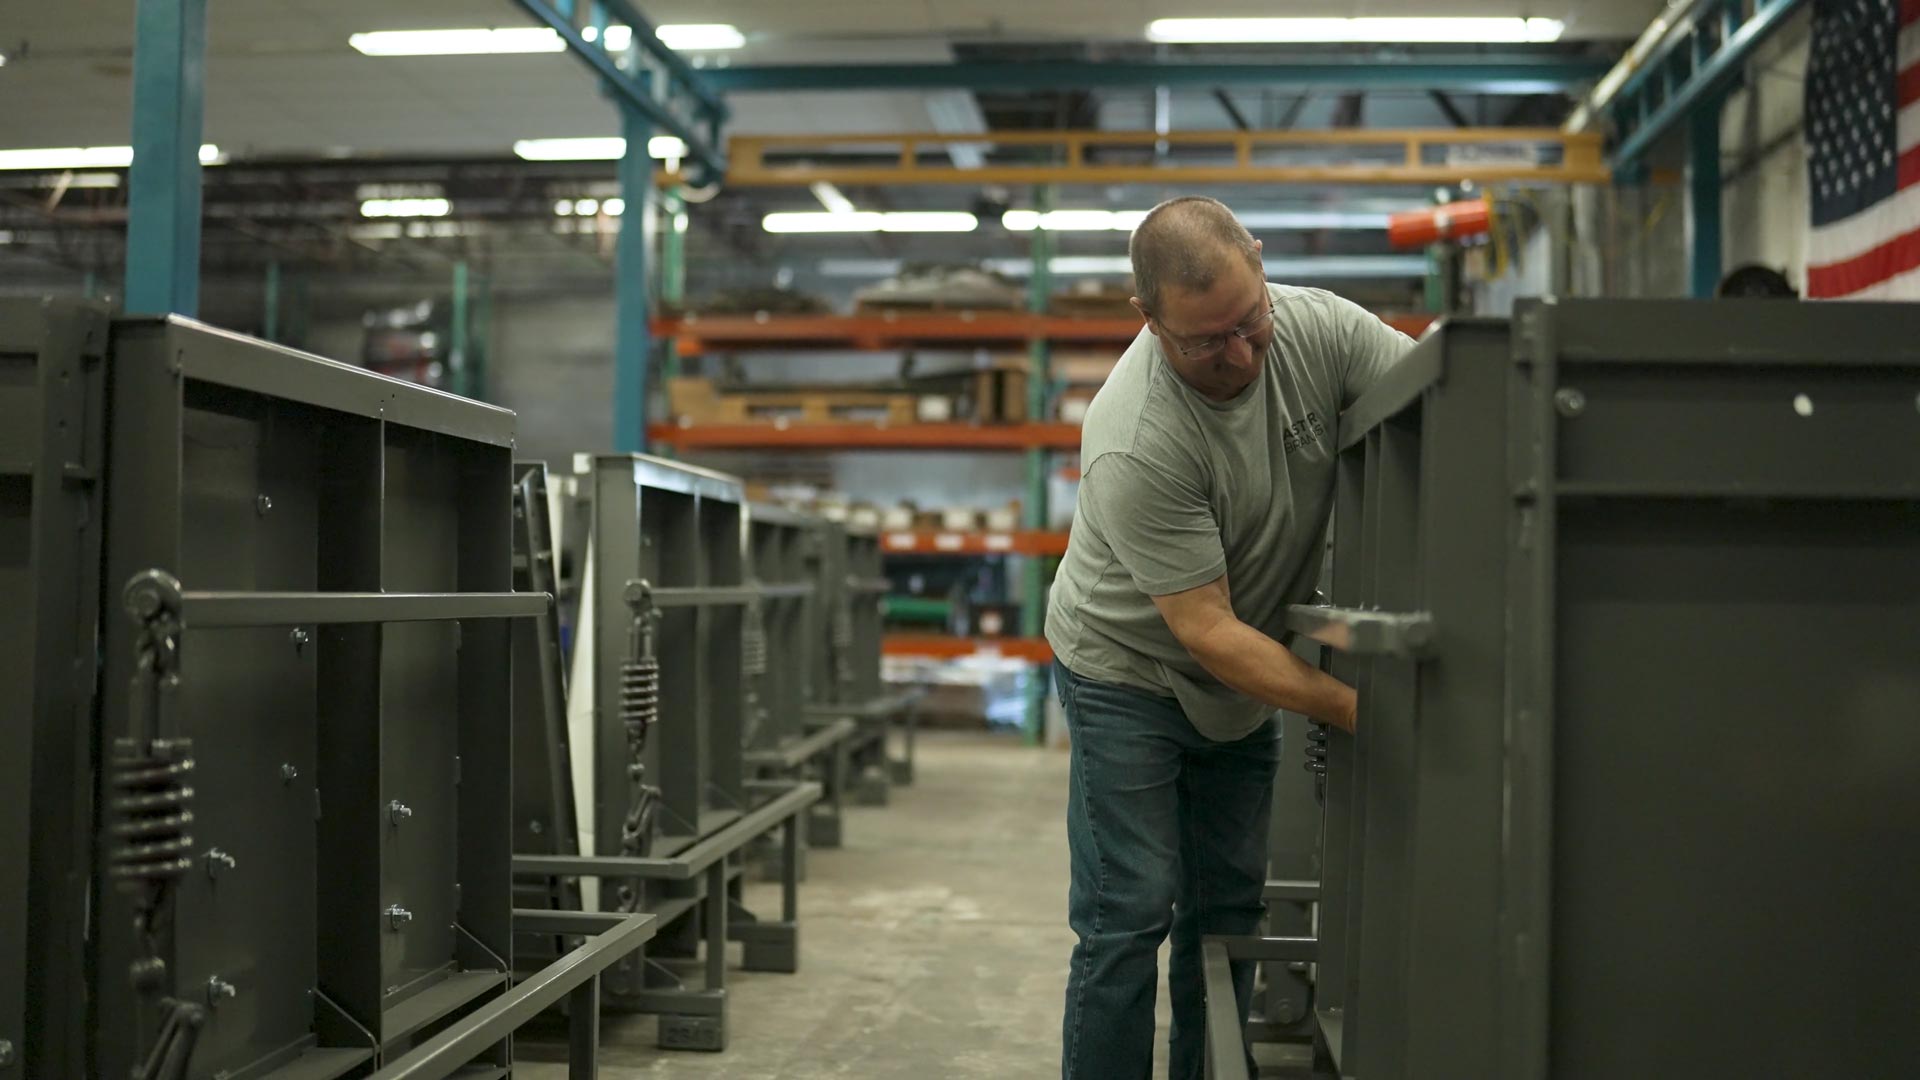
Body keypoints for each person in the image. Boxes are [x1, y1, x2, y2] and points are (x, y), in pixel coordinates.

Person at [1045, 195, 1414, 1080]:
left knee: (1229, 912)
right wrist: (1358, 707)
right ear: (1149, 321)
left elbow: (1440, 403)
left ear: (1257, 255)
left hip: (1235, 675)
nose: (1240, 354)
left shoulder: (1319, 328)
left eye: (1249, 321)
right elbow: (1207, 630)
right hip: (1125, 671)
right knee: (1128, 912)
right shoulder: (1137, 436)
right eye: (1205, 343)